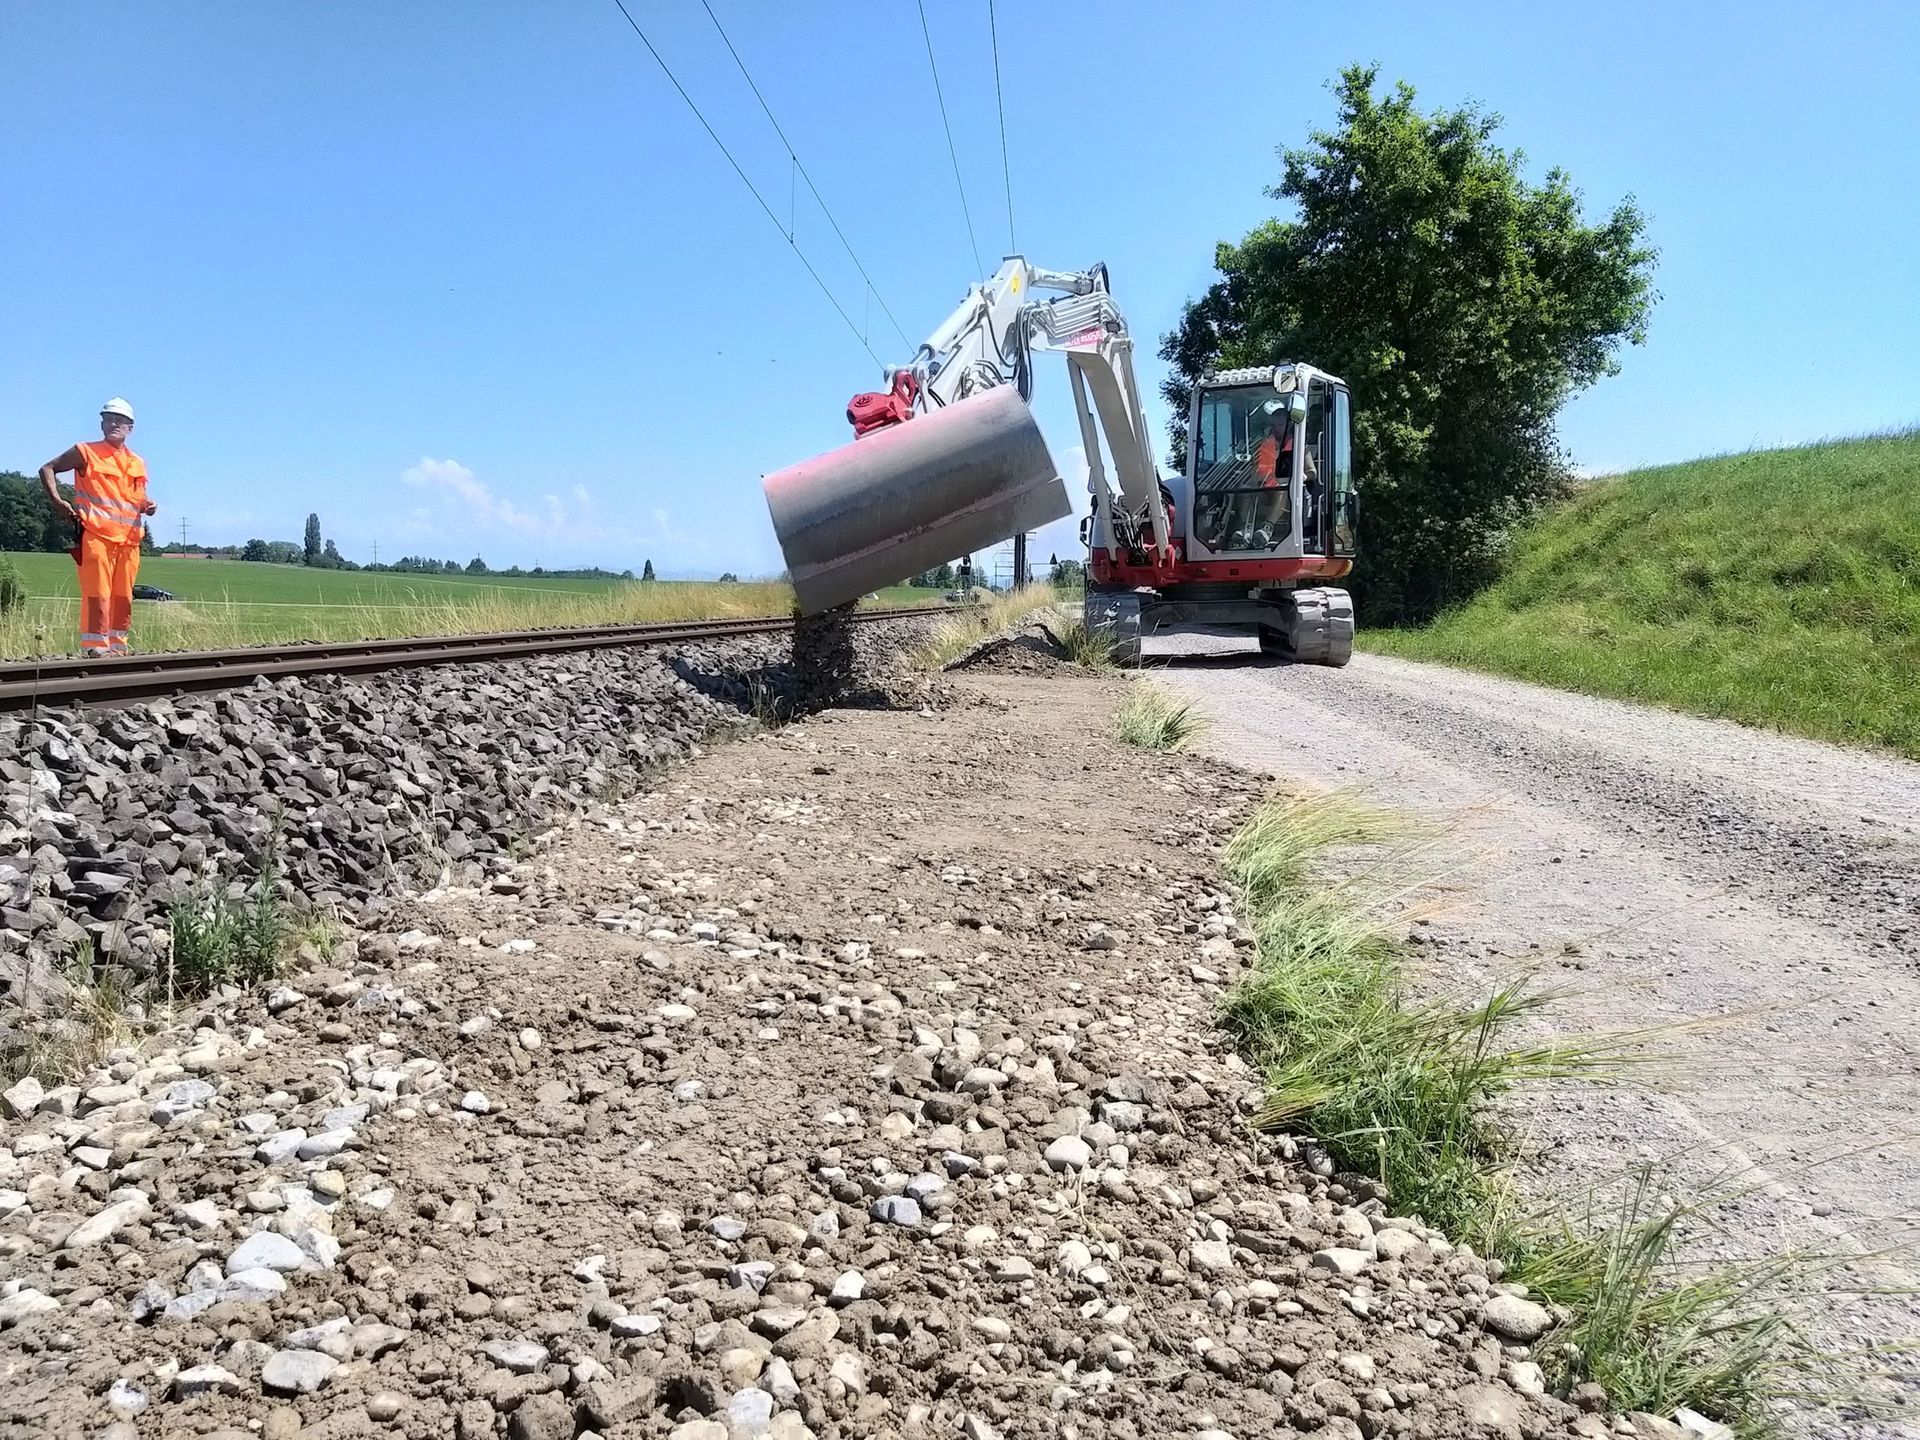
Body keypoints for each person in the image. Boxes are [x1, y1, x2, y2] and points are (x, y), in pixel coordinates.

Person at [39, 397, 155, 656]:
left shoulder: (137, 462)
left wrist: (148, 505)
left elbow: (134, 498)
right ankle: (95, 648)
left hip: (129, 541)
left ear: (130, 428)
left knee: (124, 597)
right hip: (97, 536)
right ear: (102, 424)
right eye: (110, 419)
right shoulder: (85, 452)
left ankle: (118, 648)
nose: (114, 423)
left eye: (120, 420)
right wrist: (58, 502)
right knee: (98, 594)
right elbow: (47, 468)